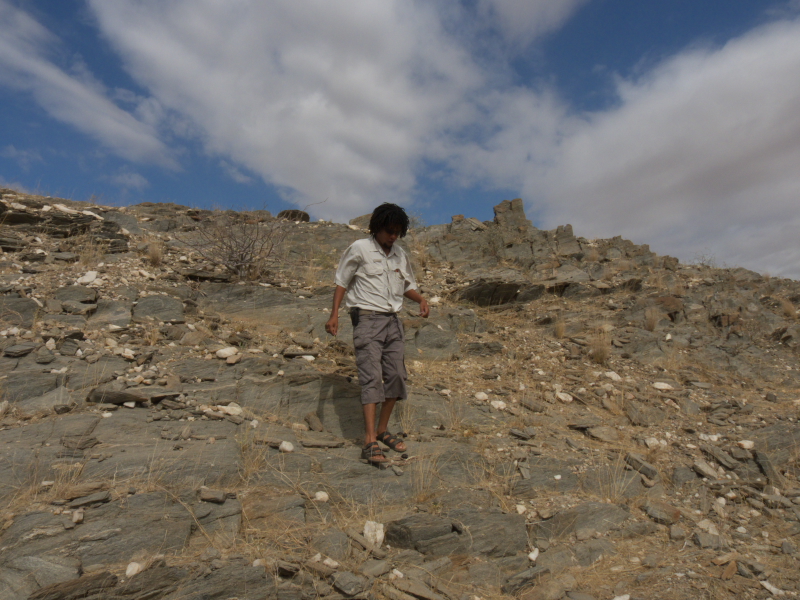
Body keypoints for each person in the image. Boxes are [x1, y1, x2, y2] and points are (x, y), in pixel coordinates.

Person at [325, 203, 429, 465]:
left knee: (396, 375)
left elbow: (405, 286)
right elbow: (342, 281)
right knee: (371, 376)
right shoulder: (360, 248)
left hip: (393, 321)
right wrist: (334, 314)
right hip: (367, 319)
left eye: (398, 232)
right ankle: (369, 440)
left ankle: (382, 430)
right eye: (389, 231)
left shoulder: (399, 254)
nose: (393, 236)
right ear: (377, 228)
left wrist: (421, 299)